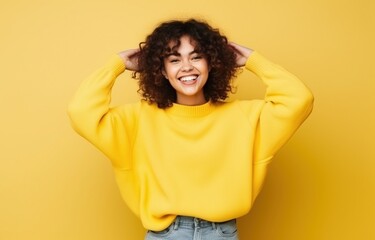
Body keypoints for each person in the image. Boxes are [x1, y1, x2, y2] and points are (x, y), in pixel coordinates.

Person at [68, 19, 314, 240]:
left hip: (222, 233)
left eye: (196, 57)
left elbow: (299, 99)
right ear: (162, 71)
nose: (186, 66)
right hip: (166, 235)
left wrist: (253, 60)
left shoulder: (245, 118)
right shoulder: (137, 120)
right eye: (174, 60)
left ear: (211, 63)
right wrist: (117, 65)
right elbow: (81, 112)